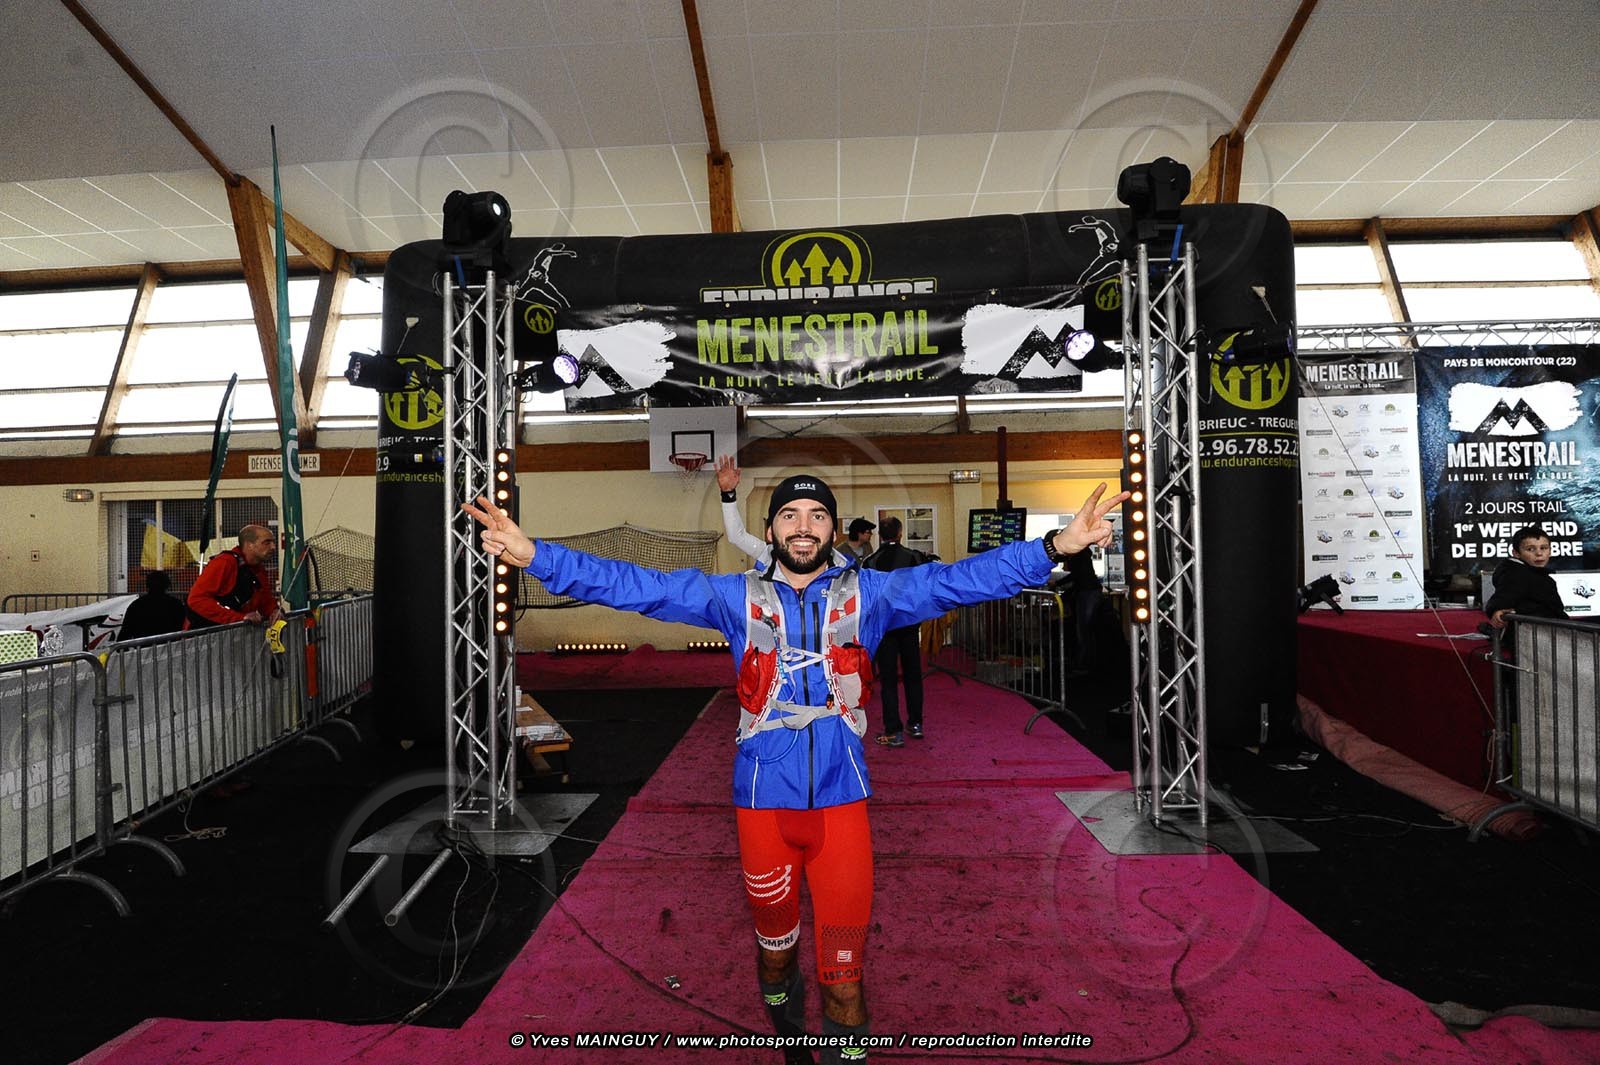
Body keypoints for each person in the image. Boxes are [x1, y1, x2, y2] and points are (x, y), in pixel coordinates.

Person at [464, 475, 1125, 1064]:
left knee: (845, 980)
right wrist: (536, 555)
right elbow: (638, 586)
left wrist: (1053, 547)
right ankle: (786, 1024)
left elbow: (959, 579)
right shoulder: (733, 597)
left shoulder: (874, 594)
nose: (803, 525)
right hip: (762, 807)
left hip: (842, 810)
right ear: (772, 528)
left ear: (833, 528)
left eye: (816, 514)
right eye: (789, 514)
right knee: (776, 956)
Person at [717, 455, 850, 570]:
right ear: (770, 532)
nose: (804, 528)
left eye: (817, 516)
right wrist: (728, 495)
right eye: (790, 516)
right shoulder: (769, 555)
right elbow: (737, 537)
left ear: (833, 534)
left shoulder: (848, 573)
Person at [861, 517, 927, 747]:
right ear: (900, 533)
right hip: (909, 623)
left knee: (888, 680)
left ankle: (893, 730)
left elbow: (867, 597)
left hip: (884, 627)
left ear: (880, 535)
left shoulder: (870, 561)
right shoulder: (915, 557)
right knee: (913, 675)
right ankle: (916, 724)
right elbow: (922, 588)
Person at [185, 524, 279, 629]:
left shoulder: (258, 569)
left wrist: (274, 611)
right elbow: (197, 600)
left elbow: (265, 599)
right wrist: (239, 618)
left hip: (234, 632)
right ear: (249, 545)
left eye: (273, 542)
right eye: (267, 543)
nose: (273, 547)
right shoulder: (225, 562)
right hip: (207, 632)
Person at [1485, 525, 1568, 629]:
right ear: (1516, 553)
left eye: (1543, 548)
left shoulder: (1536, 575)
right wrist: (1497, 610)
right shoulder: (1517, 575)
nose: (1539, 553)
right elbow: (1502, 598)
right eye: (1530, 549)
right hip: (1541, 633)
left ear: (1550, 550)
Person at [118, 570, 187, 640]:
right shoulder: (176, 605)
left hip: (142, 645)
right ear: (167, 585)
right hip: (170, 645)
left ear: (147, 585)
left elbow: (124, 634)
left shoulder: (136, 606)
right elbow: (182, 628)